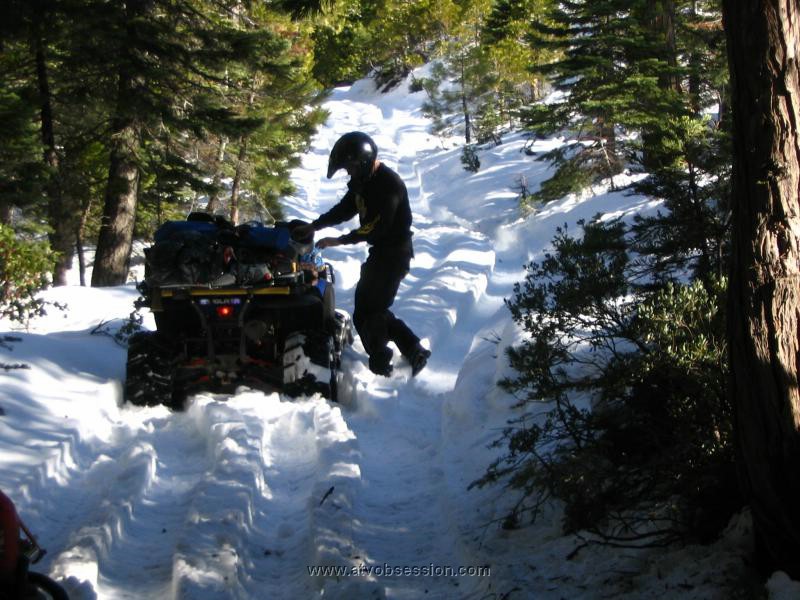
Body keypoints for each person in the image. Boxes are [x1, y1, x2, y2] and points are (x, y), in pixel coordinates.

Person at [293, 131, 430, 377]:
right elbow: (344, 209)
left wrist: (339, 240)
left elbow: (376, 227)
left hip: (395, 254)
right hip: (382, 253)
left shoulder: (388, 185)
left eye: (351, 167)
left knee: (370, 311)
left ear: (363, 162)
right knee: (369, 310)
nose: (349, 172)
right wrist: (315, 226)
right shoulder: (364, 182)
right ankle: (412, 349)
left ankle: (381, 360)